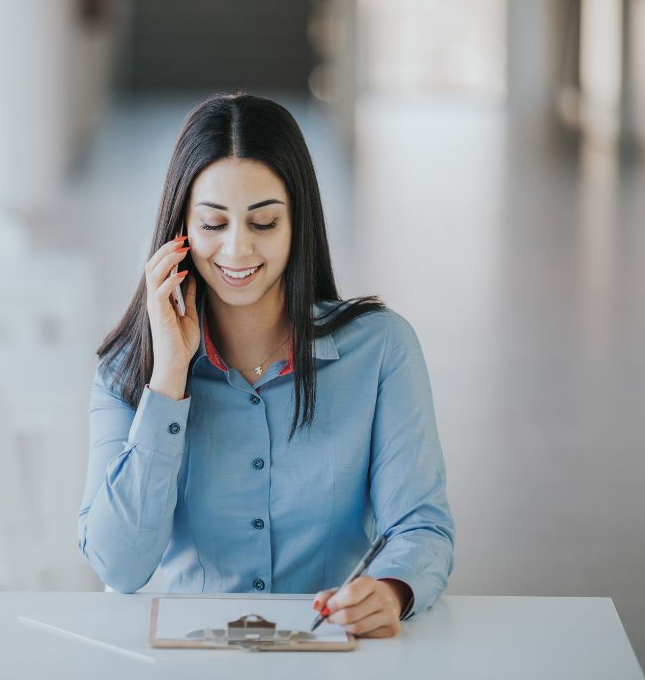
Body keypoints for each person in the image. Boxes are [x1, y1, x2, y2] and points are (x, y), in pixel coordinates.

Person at [77, 92, 455, 638]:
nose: (237, 250)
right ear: (179, 232)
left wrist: (393, 590)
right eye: (212, 224)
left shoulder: (383, 349)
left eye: (263, 223)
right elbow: (119, 566)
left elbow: (421, 526)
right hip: (188, 663)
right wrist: (168, 381)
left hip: (332, 654)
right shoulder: (126, 372)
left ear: (297, 224)